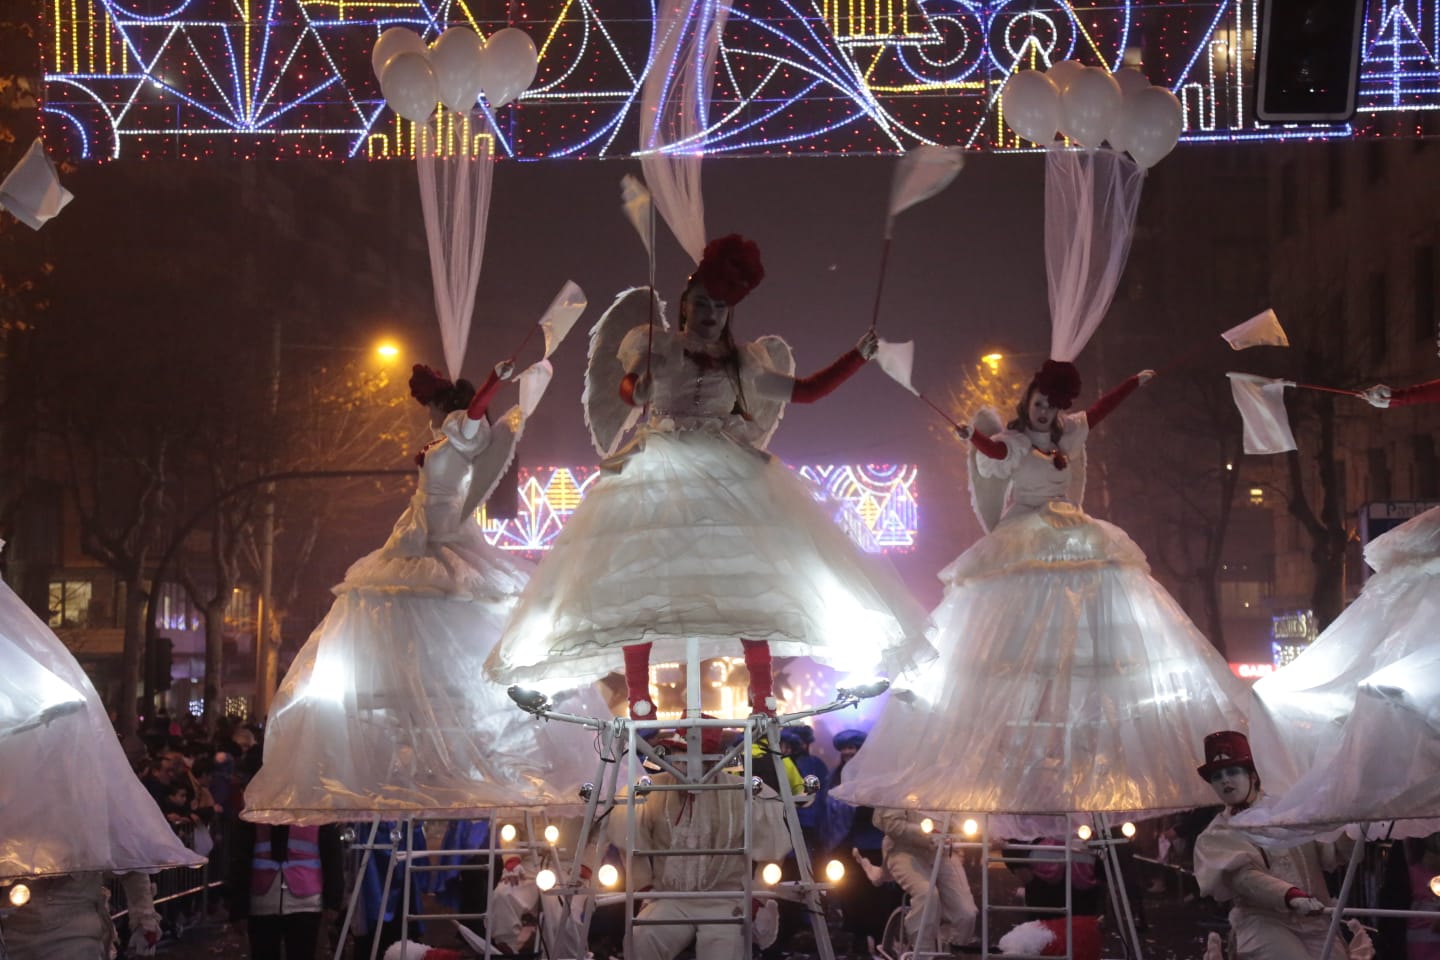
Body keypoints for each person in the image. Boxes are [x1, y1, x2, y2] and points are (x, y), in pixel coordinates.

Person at [485, 235, 930, 718]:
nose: (710, 314)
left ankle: (762, 693)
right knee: (638, 578)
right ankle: (638, 695)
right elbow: (630, 389)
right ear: (683, 307)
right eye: (702, 304)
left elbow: (805, 392)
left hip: (727, 469)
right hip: (658, 465)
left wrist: (856, 357)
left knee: (750, 579)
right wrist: (640, 387)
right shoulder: (657, 346)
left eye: (720, 306)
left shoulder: (744, 362)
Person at [833, 360, 1250, 815]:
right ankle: (1017, 751)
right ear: (1027, 402)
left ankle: (1075, 755)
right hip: (1025, 533)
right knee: (1018, 636)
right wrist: (969, 437)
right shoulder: (1014, 443)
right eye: (1038, 404)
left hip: (1072, 530)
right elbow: (993, 453)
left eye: (1051, 406)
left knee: (1085, 620)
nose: (1044, 412)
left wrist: (1133, 381)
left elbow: (1101, 410)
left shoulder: (1069, 433)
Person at [241, 358, 568, 823]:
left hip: (442, 532)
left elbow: (476, 415)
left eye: (428, 405)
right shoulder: (444, 437)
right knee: (402, 621)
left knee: (432, 608)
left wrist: (497, 378)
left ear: (441, 405)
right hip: (417, 532)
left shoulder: (461, 428)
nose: (426, 416)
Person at [607, 729, 792, 959]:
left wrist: (755, 898)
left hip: (726, 899)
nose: (686, 764)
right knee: (642, 938)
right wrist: (645, 889)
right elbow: (630, 847)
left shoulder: (745, 792)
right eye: (680, 753)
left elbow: (772, 855)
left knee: (726, 950)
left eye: (695, 755)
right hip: (670, 897)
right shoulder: (649, 790)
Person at [1192, 731, 1347, 960]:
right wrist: (1290, 896)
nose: (1225, 780)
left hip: (1316, 918)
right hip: (1263, 922)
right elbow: (1243, 878)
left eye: (1232, 771)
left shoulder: (1290, 811)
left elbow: (1330, 853)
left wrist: (1353, 822)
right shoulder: (1216, 835)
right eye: (1217, 776)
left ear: (1253, 775)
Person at [826, 729, 902, 956]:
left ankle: (880, 941)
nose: (848, 752)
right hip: (847, 848)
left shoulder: (875, 776)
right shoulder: (836, 775)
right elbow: (830, 812)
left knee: (877, 897)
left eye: (852, 747)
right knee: (851, 895)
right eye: (844, 748)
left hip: (875, 846)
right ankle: (859, 941)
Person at [226, 815, 345, 959]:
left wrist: (333, 901)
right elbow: (240, 859)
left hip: (302, 901)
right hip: (267, 900)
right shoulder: (256, 808)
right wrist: (238, 908)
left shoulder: (318, 811)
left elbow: (332, 857)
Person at [874, 808, 978, 952]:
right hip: (904, 850)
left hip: (943, 850)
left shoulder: (949, 786)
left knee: (966, 913)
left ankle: (950, 949)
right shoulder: (899, 786)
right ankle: (922, 952)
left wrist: (990, 834)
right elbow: (892, 825)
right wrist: (925, 833)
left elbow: (964, 818)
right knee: (927, 894)